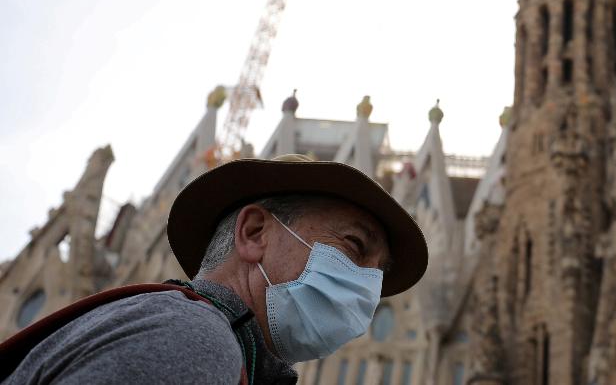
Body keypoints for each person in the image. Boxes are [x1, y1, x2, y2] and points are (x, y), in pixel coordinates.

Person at [0, 154, 428, 384]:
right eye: (353, 246)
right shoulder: (191, 343)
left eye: (377, 273)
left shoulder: (191, 335)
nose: (368, 289)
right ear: (255, 233)